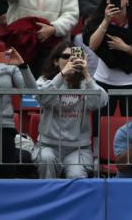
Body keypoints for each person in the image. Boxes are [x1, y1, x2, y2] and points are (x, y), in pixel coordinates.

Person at [34, 41, 108, 179]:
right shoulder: (46, 81)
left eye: (74, 57)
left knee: (77, 175)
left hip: (78, 149)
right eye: (66, 57)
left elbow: (101, 101)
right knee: (46, 159)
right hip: (48, 146)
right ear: (56, 61)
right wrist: (62, 75)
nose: (70, 60)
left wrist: (86, 74)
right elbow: (41, 97)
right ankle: (49, 199)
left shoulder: (85, 83)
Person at [0, 27, 36, 178]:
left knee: (8, 175)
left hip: (3, 127)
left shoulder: (8, 66)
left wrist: (22, 65)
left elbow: (31, 92)